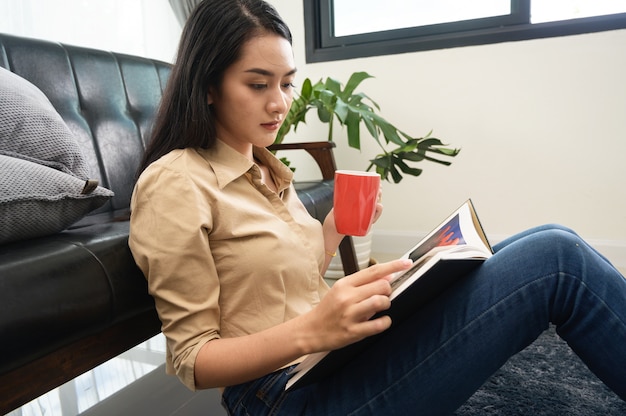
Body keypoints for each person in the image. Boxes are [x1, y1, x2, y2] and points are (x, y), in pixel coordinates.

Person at [128, 0, 626, 414]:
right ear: (209, 87)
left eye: (285, 82)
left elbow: (279, 284)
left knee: (540, 240)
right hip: (283, 398)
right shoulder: (175, 184)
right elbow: (194, 359)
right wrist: (313, 329)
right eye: (258, 84)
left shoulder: (265, 168)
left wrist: (334, 230)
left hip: (331, 359)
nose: (280, 102)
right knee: (556, 263)